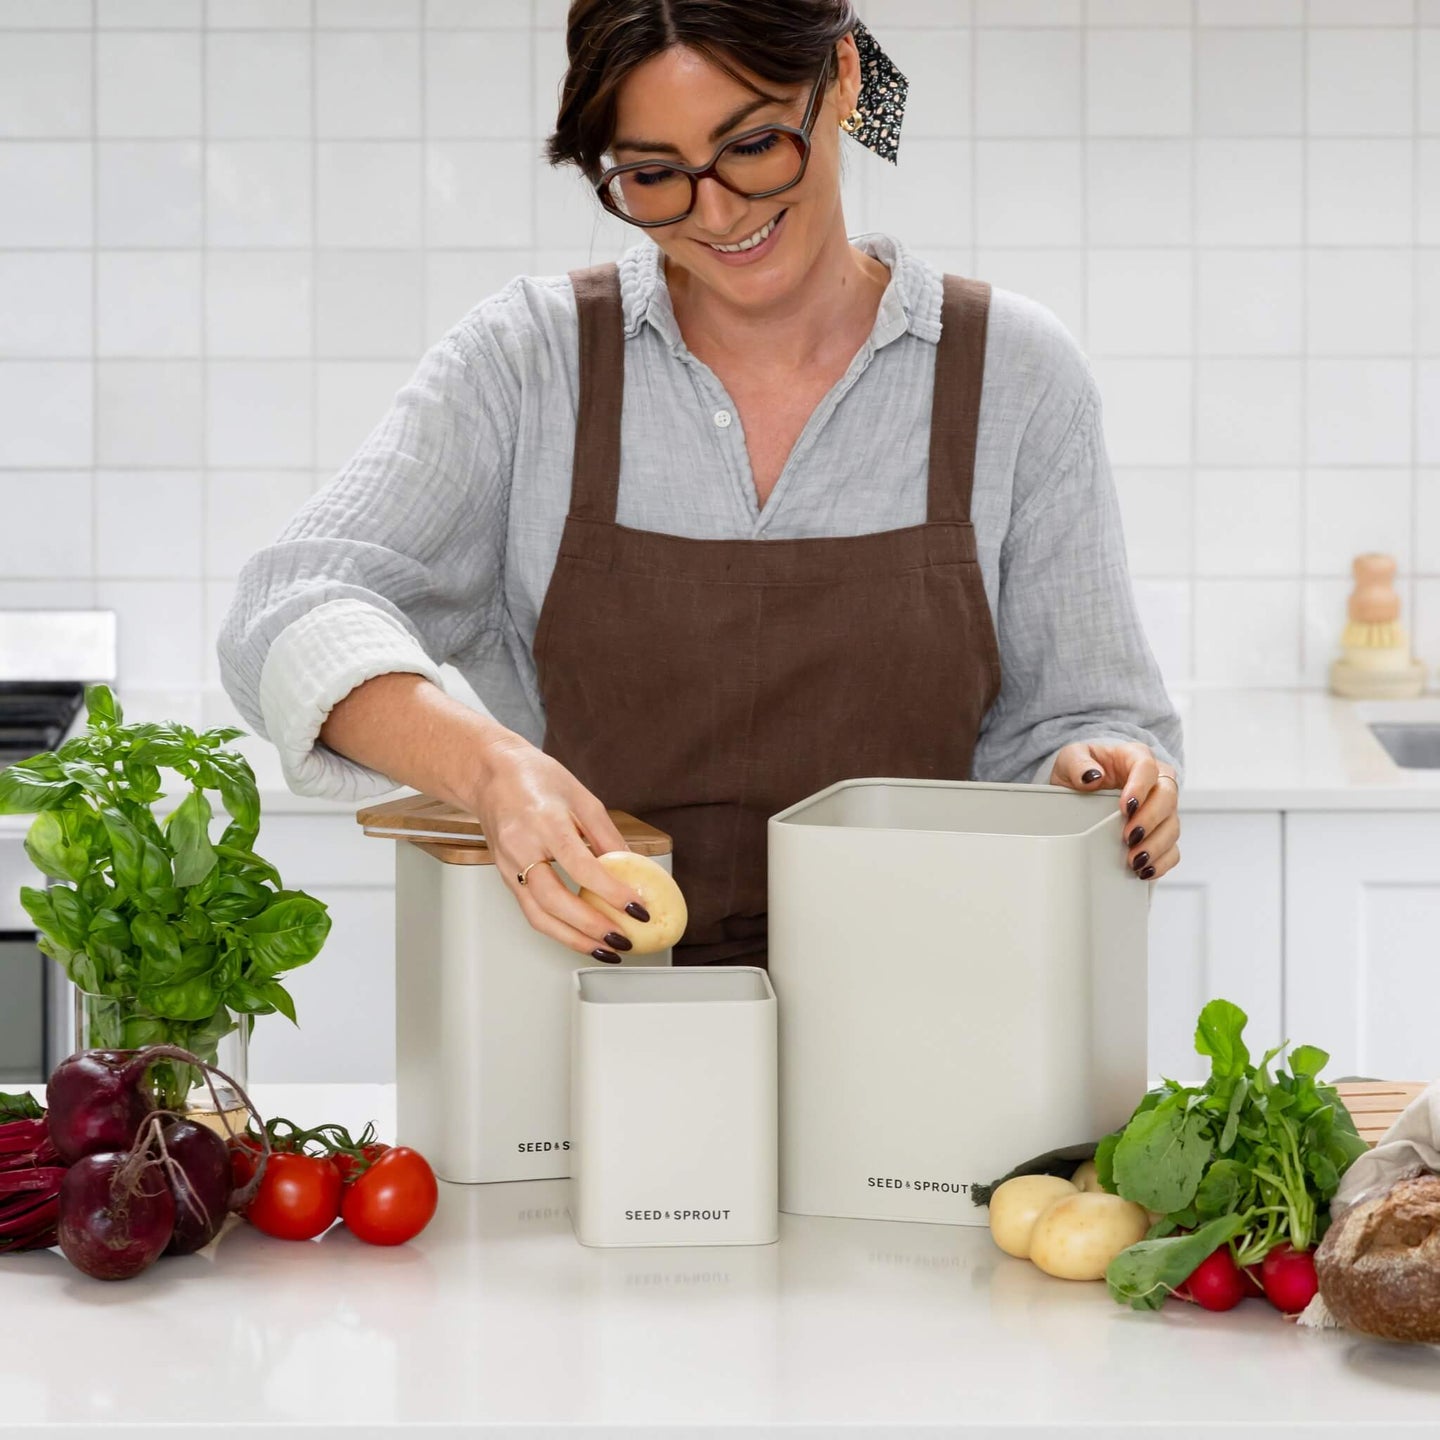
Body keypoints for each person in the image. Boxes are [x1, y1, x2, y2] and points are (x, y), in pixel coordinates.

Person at [219, 0, 1184, 971]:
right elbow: (287, 608)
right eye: (652, 175)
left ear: (842, 78)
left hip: (924, 1018)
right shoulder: (530, 365)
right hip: (586, 1027)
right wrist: (490, 768)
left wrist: (1096, 771)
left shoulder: (1013, 373)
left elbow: (1080, 719)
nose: (716, 213)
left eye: (755, 144)